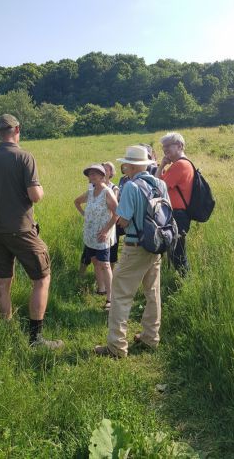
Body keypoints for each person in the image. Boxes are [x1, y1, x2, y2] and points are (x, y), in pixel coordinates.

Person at [0, 114, 63, 349]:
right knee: (42, 279)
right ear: (17, 129)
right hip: (21, 229)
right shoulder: (24, 157)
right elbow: (35, 196)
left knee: (3, 281)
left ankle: (6, 330)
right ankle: (36, 339)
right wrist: (38, 189)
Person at [95, 145, 169, 357]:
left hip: (135, 246)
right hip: (155, 245)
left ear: (130, 165)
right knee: (152, 293)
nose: (123, 167)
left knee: (120, 295)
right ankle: (150, 337)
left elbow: (124, 219)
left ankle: (116, 346)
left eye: (125, 164)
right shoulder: (160, 184)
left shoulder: (130, 187)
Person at [74, 164, 118, 310]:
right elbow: (76, 202)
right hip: (89, 234)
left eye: (94, 174)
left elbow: (116, 214)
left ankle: (110, 299)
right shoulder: (90, 192)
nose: (91, 177)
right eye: (90, 174)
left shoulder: (107, 192)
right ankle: (101, 289)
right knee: (94, 261)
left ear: (102, 176)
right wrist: (84, 214)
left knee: (105, 264)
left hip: (101, 236)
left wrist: (105, 231)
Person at [156, 132, 194, 275]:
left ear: (179, 146)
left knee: (178, 254)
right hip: (177, 214)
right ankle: (183, 282)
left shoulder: (180, 165)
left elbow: (158, 187)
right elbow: (158, 182)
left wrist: (161, 166)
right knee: (174, 252)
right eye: (163, 148)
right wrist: (163, 165)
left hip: (178, 215)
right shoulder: (181, 164)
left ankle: (187, 284)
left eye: (168, 147)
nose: (165, 151)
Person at [102, 161, 120, 269]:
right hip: (97, 221)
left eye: (106, 169)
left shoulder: (114, 188)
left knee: (112, 248)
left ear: (111, 172)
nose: (103, 171)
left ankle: (111, 274)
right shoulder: (94, 185)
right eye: (102, 169)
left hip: (111, 221)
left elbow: (114, 205)